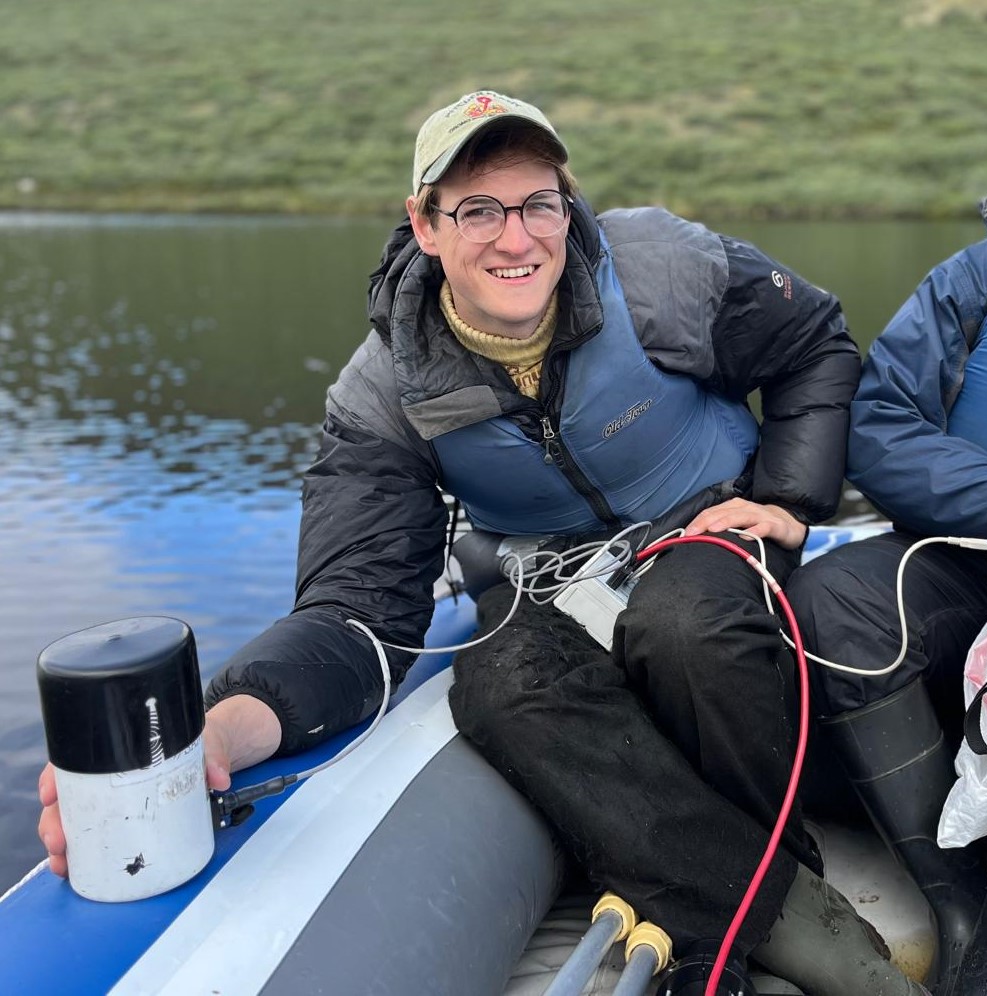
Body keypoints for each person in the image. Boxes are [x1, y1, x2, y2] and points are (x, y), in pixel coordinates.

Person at [37, 90, 922, 996]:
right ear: (424, 225)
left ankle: (733, 920)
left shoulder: (662, 268)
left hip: (710, 527)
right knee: (498, 687)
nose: (516, 238)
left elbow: (814, 341)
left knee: (688, 625)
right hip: (545, 581)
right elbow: (356, 611)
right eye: (478, 209)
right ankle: (779, 915)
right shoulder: (382, 392)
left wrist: (786, 498)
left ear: (566, 207)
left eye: (539, 203)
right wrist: (220, 724)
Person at [785, 151, 987, 993]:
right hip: (977, 573)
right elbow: (880, 425)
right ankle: (958, 906)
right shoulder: (976, 279)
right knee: (833, 601)